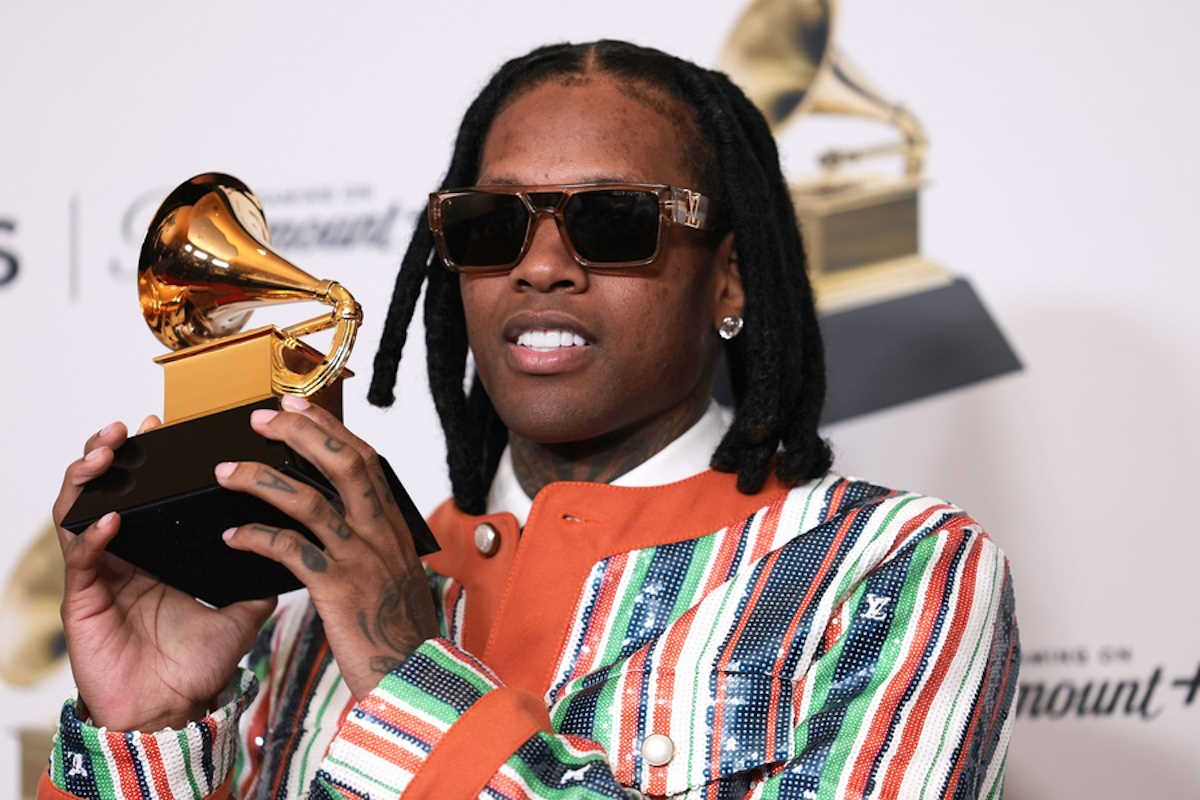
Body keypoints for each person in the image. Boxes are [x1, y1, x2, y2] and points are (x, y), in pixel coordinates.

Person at [41, 40, 1019, 800]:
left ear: (727, 278)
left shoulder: (893, 567)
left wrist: (404, 674)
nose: (540, 265)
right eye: (491, 225)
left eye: (613, 220)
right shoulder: (320, 596)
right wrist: (149, 730)